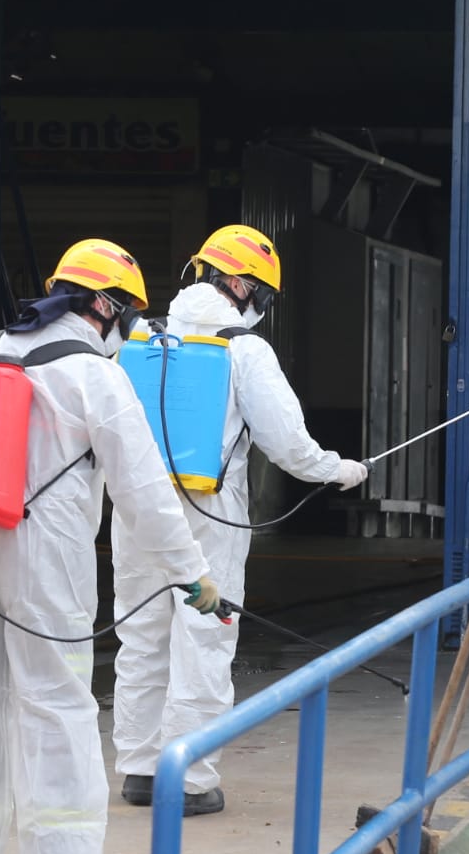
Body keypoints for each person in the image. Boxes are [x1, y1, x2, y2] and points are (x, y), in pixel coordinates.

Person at [0, 238, 222, 854]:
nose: (129, 328)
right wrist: (192, 573)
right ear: (100, 305)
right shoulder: (96, 374)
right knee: (55, 696)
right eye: (127, 313)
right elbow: (144, 490)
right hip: (44, 549)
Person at [111, 225, 369, 816]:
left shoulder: (141, 338)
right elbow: (289, 445)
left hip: (138, 507)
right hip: (208, 512)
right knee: (204, 634)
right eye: (264, 295)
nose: (263, 307)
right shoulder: (245, 351)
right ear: (239, 284)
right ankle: (191, 778)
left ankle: (141, 770)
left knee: (141, 636)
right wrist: (340, 471)